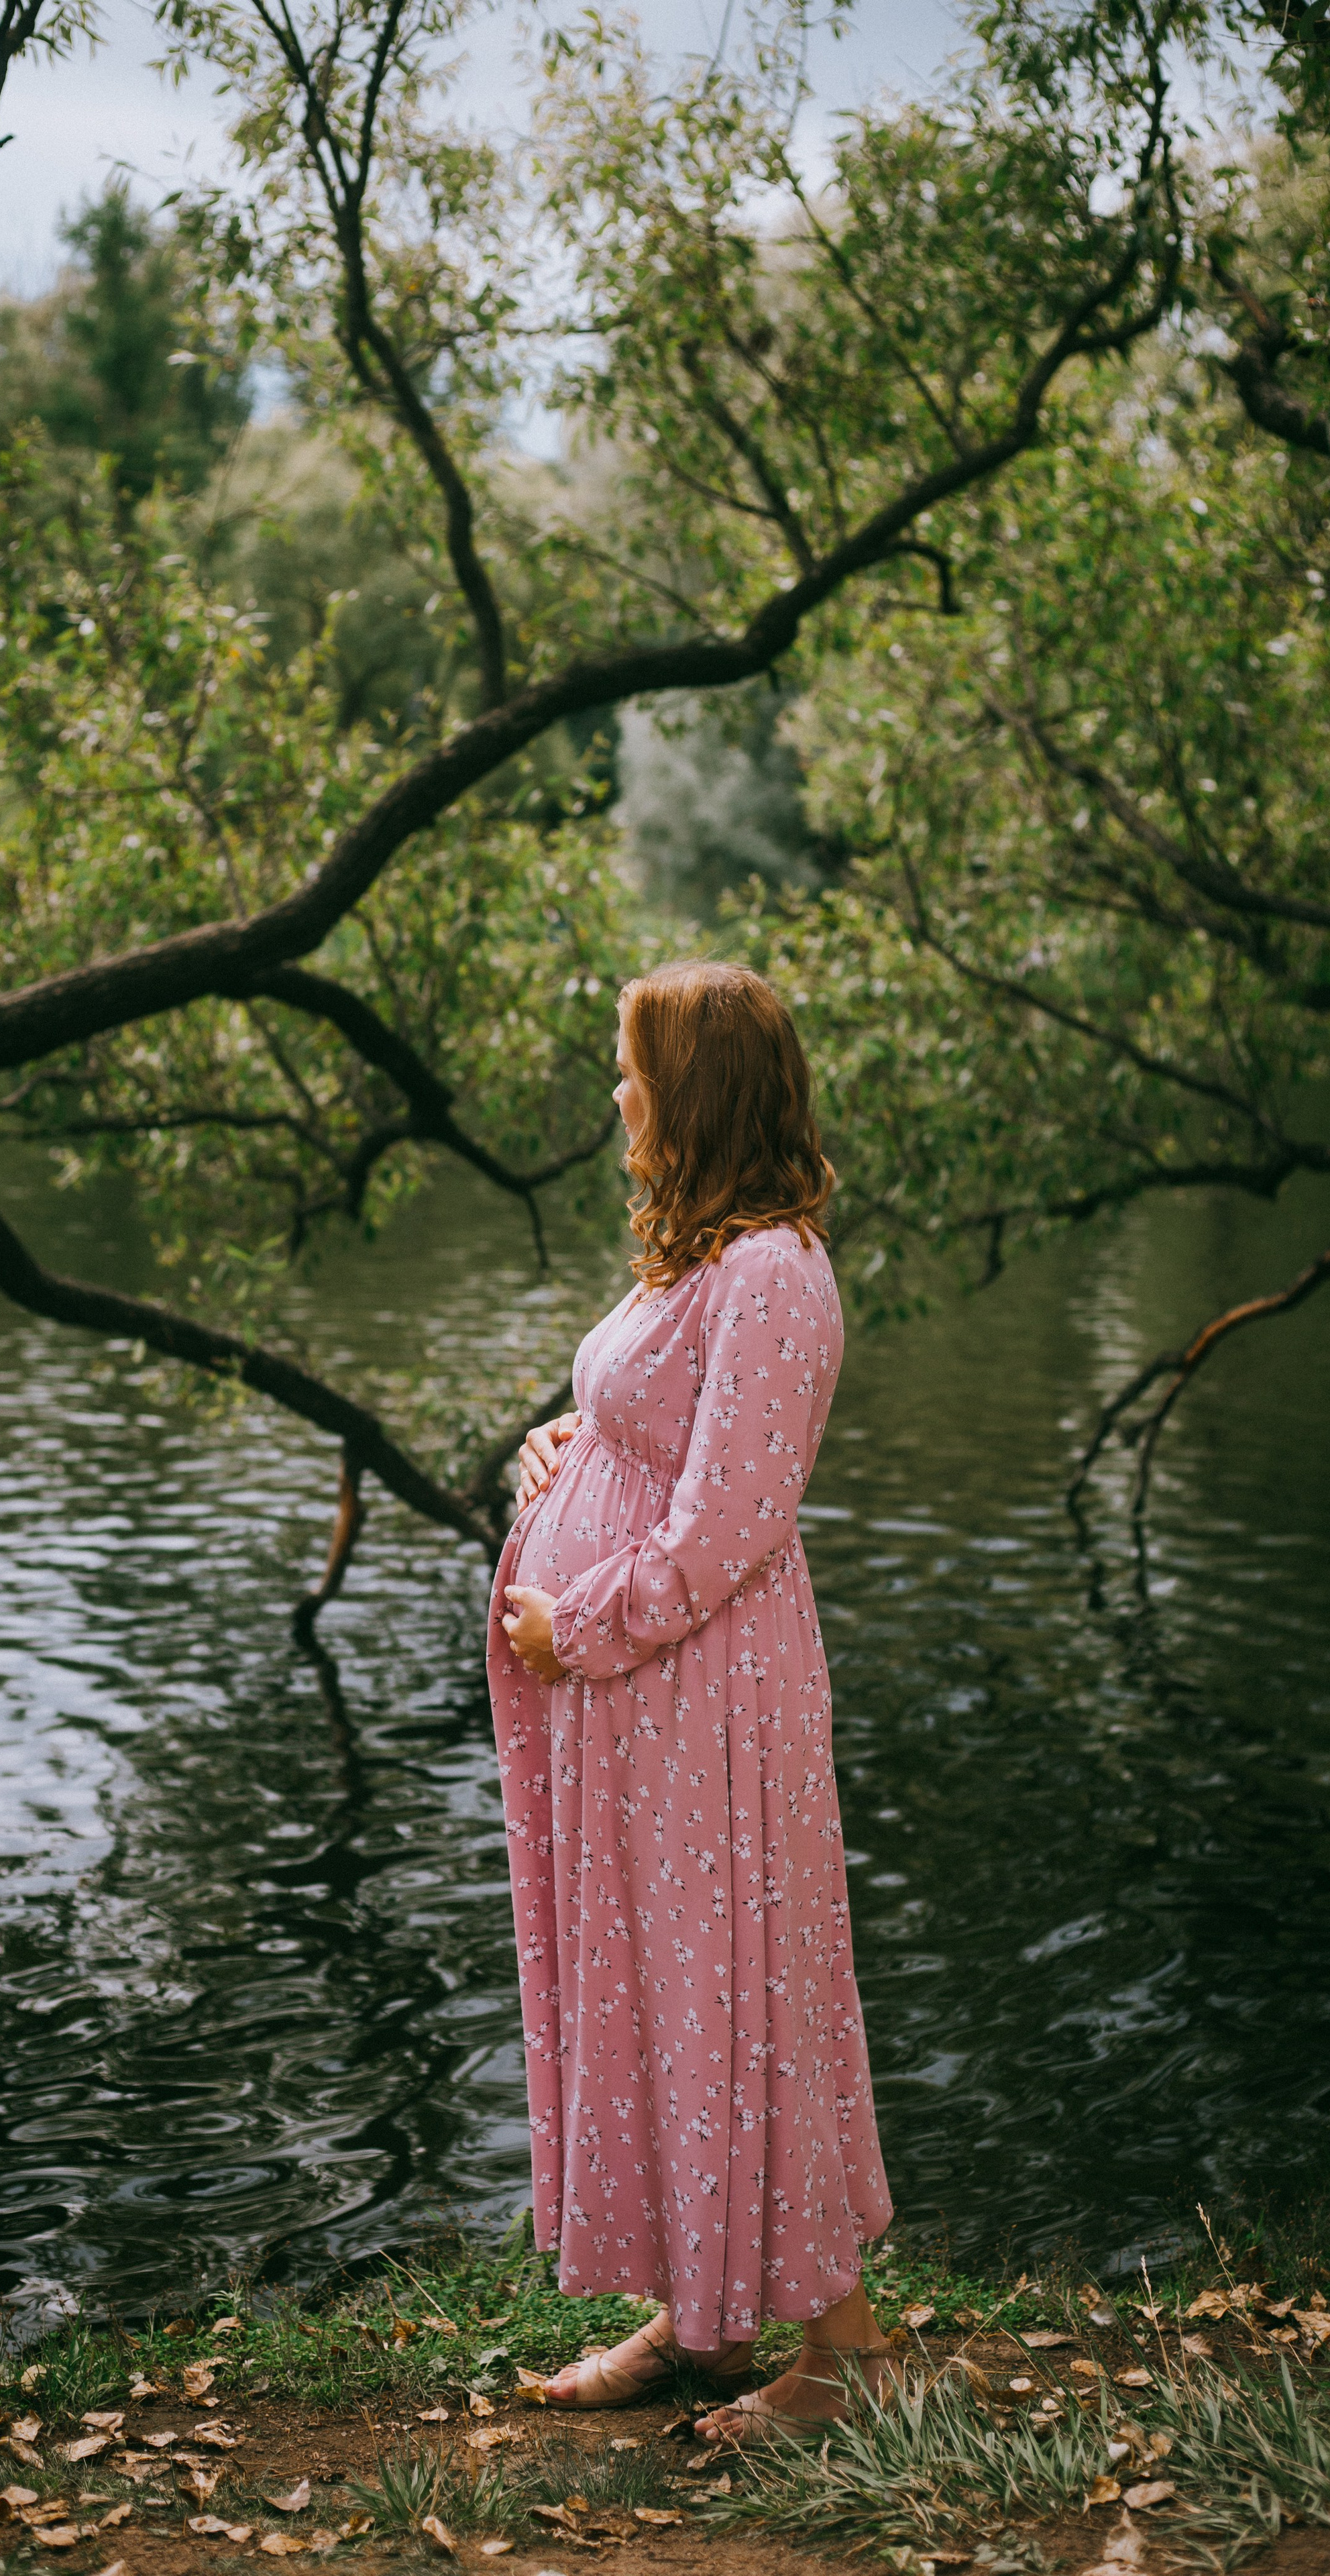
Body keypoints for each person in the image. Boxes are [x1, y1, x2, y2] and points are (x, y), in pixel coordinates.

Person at [487, 959, 895, 2444]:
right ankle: (704, 2317)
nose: (616, 1092)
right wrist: (559, 1449)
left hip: (700, 1697)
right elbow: (653, 1436)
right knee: (671, 1996)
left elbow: (730, 1526)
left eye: (633, 1067)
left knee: (748, 1988)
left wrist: (571, 1624)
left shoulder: (776, 1273)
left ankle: (844, 2358)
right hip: (646, 1701)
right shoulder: (704, 1258)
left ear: (697, 1090)